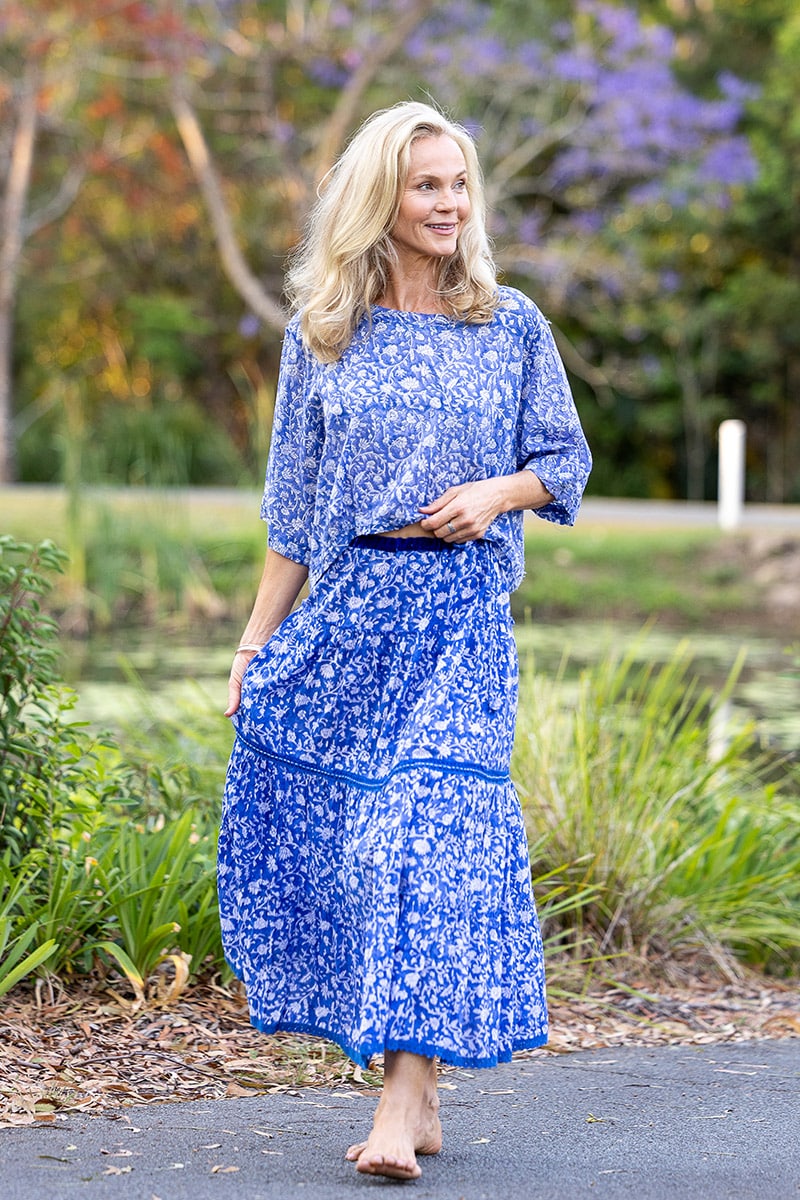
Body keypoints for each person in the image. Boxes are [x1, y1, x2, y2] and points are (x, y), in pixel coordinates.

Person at [218, 100, 591, 1181]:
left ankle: (398, 1105)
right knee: (361, 850)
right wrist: (251, 651)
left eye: (458, 183)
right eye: (426, 184)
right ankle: (416, 1097)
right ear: (380, 198)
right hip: (350, 620)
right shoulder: (323, 336)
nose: (448, 203)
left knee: (421, 843)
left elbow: (560, 464)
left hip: (462, 617)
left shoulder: (507, 321)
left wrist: (494, 494)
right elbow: (291, 519)